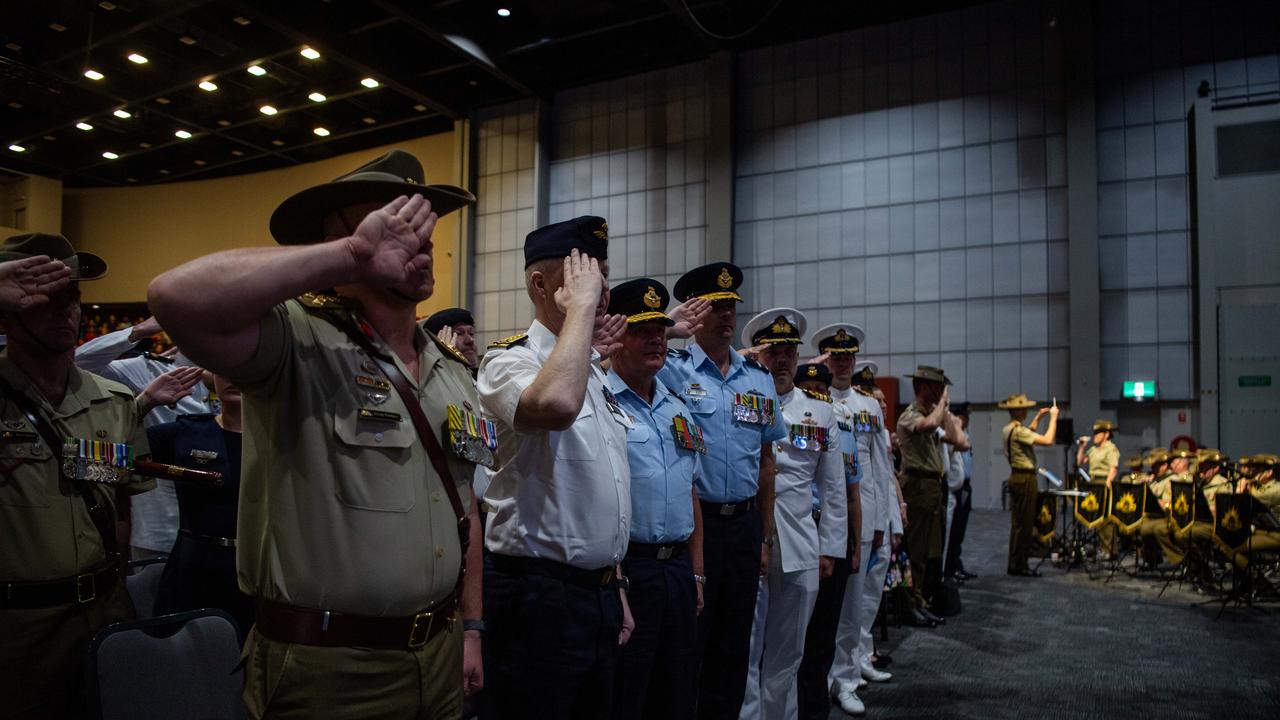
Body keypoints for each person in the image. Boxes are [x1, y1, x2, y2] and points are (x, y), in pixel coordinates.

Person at [148, 148, 484, 718]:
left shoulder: (451, 372)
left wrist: (472, 626)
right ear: (338, 235)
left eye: (422, 225)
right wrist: (353, 256)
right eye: (392, 221)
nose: (417, 239)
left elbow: (465, 503)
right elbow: (174, 298)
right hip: (331, 666)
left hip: (440, 651)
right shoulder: (295, 340)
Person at [476, 216, 634, 720]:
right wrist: (583, 312)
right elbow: (557, 406)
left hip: (599, 593)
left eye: (603, 276)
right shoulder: (508, 363)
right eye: (584, 275)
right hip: (538, 596)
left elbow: (598, 492)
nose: (601, 290)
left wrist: (616, 582)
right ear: (540, 284)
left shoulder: (591, 371)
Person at [0, 232, 151, 719]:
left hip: (104, 611)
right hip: (19, 626)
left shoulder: (115, 400)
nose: (66, 311)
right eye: (45, 300)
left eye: (73, 297)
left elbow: (120, 500)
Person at [658, 262, 785, 720]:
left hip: (745, 527)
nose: (728, 317)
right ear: (695, 313)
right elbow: (615, 367)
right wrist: (669, 330)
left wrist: (765, 537)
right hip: (697, 527)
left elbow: (767, 465)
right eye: (717, 308)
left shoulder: (758, 379)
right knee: (691, 644)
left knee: (734, 647)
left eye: (732, 307)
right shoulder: (670, 369)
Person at [738, 309, 847, 720]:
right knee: (746, 646)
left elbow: (834, 489)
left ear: (799, 357)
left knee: (788, 652)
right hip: (750, 539)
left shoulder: (819, 412)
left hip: (801, 543)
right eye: (773, 351)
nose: (782, 359)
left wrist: (831, 548)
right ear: (758, 355)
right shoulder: (742, 400)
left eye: (789, 351)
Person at [605, 278, 705, 720]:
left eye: (660, 330)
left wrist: (697, 574)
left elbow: (692, 492)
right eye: (642, 330)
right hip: (632, 569)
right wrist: (618, 579)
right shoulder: (600, 401)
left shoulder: (678, 408)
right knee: (629, 691)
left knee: (678, 688)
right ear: (615, 340)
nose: (655, 339)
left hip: (678, 570)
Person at [76, 315, 210, 559]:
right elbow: (77, 364)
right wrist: (138, 331)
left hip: (223, 525)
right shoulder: (149, 368)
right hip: (161, 526)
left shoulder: (244, 375)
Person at [148, 372, 253, 637]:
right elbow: (103, 448)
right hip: (192, 571)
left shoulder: (286, 440)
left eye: (243, 368)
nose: (233, 376)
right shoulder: (187, 433)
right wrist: (145, 402)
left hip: (257, 572)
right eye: (223, 367)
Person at [792, 359, 863, 720]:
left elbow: (850, 493)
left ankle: (816, 706)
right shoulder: (788, 418)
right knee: (792, 638)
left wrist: (853, 544)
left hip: (831, 536)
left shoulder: (842, 427)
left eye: (820, 389)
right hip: (798, 531)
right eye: (808, 388)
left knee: (823, 634)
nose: (815, 395)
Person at [896, 366, 968, 619]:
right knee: (915, 550)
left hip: (933, 487)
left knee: (930, 550)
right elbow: (929, 425)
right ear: (922, 387)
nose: (940, 391)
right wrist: (942, 406)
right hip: (917, 486)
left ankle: (921, 599)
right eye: (937, 386)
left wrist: (945, 409)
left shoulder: (933, 413)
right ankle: (910, 603)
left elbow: (959, 441)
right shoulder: (911, 415)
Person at [996, 394, 1059, 577]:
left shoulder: (1010, 428)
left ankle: (1016, 562)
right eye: (1022, 408)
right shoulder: (1018, 430)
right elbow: (1047, 440)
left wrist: (1038, 418)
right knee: (1024, 524)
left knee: (1018, 523)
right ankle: (1019, 565)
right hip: (1025, 479)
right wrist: (1053, 418)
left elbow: (1027, 434)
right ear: (1015, 411)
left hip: (1017, 476)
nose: (1025, 411)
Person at [1076, 420, 1120, 559]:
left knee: (1107, 519)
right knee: (1098, 518)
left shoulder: (1111, 448)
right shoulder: (1094, 449)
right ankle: (1102, 548)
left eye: (1098, 433)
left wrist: (1108, 483)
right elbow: (1080, 461)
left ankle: (1110, 550)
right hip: (1093, 482)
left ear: (1106, 434)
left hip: (1104, 482)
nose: (1094, 435)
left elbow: (1113, 468)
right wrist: (1082, 447)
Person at [944, 403, 975, 582]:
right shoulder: (952, 435)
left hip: (965, 485)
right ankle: (951, 567)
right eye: (963, 416)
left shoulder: (964, 435)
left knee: (960, 529)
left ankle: (956, 563)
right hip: (955, 487)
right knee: (954, 530)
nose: (966, 419)